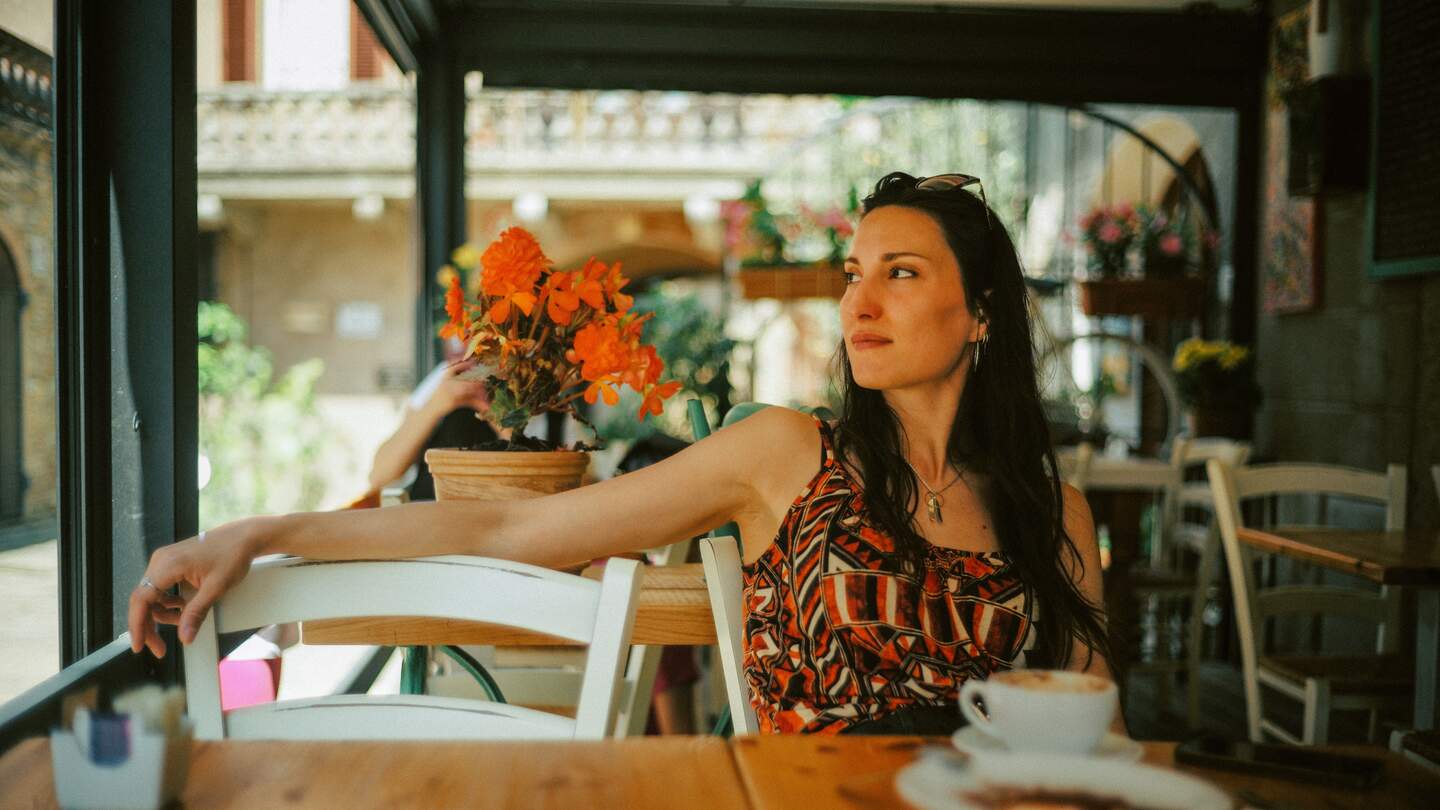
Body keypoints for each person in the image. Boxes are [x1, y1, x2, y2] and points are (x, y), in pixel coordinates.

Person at [131, 171, 1118, 736]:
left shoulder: (1053, 513)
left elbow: (1095, 732)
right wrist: (254, 535)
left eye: (900, 274)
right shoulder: (783, 455)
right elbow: (513, 524)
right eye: (854, 273)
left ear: (982, 312)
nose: (858, 301)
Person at [367, 341, 498, 502]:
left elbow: (532, 458)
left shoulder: (521, 378)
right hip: (428, 507)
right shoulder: (443, 377)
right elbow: (379, 477)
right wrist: (437, 404)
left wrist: (489, 408)